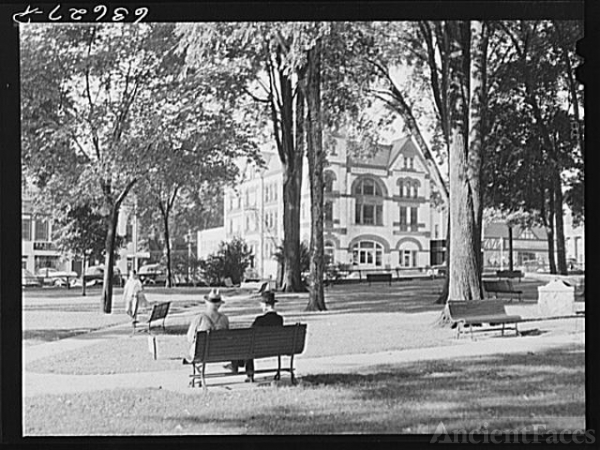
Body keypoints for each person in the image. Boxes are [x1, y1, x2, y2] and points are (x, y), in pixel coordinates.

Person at [244, 290, 284, 382]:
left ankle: (250, 374)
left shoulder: (260, 320)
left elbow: (251, 334)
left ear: (265, 305)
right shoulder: (279, 319)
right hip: (275, 348)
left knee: (247, 347)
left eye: (261, 304)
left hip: (258, 349)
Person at [186, 288, 229, 359]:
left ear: (207, 303)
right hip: (221, 352)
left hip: (201, 353)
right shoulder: (224, 319)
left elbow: (190, 338)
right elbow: (227, 337)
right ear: (219, 305)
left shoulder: (199, 318)